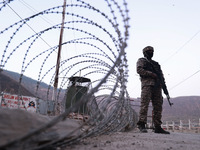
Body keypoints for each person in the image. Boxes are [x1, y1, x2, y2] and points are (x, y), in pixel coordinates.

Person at [136, 46, 170, 134]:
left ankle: (157, 126)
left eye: (152, 51)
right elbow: (139, 70)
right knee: (145, 104)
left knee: (158, 106)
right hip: (147, 85)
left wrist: (164, 87)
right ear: (145, 53)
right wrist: (151, 74)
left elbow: (161, 76)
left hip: (157, 86)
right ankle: (142, 124)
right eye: (149, 51)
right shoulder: (142, 61)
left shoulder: (156, 64)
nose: (151, 52)